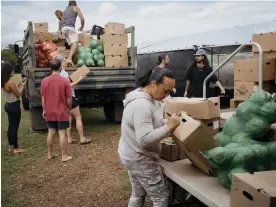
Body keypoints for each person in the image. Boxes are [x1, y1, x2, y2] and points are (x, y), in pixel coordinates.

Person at [118, 68, 181, 206]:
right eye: (166, 90)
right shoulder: (141, 105)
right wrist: (168, 127)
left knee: (138, 193)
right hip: (140, 158)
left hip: (130, 154)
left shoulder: (148, 97)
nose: (167, 95)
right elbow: (144, 139)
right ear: (154, 83)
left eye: (170, 91)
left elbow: (151, 123)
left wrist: (168, 123)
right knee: (161, 197)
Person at [54, 56, 91, 145]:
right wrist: (79, 79)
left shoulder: (57, 73)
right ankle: (82, 138)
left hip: (63, 99)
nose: (66, 62)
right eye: (64, 61)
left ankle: (69, 138)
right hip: (70, 97)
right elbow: (69, 86)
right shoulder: (64, 73)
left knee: (69, 118)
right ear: (60, 63)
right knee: (78, 117)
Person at [40, 59, 73, 162]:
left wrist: (44, 110)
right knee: (62, 133)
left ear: (51, 68)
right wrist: (69, 108)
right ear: (60, 68)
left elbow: (43, 97)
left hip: (49, 111)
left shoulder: (44, 81)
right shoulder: (65, 81)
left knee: (51, 132)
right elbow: (69, 98)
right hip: (61, 111)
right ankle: (64, 156)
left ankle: (49, 154)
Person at [1, 63, 26, 154]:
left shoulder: (4, 82)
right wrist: (23, 85)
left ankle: (11, 146)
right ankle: (16, 148)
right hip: (14, 106)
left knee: (11, 126)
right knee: (14, 127)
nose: (13, 71)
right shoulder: (10, 83)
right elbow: (18, 94)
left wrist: (20, 83)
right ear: (8, 72)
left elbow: (12, 90)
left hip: (8, 105)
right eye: (12, 70)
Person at [61, 1, 85, 66]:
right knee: (75, 43)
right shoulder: (76, 8)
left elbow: (62, 21)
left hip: (64, 29)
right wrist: (82, 26)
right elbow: (82, 19)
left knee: (72, 46)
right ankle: (69, 58)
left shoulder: (65, 11)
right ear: (75, 3)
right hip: (69, 28)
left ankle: (71, 62)